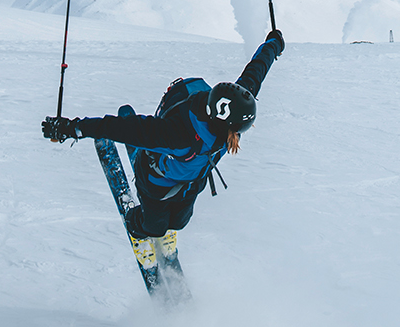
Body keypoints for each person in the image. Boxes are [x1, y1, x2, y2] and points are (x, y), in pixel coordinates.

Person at [42, 29, 284, 237]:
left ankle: (166, 215)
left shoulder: (230, 107)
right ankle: (134, 217)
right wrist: (70, 128)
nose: (245, 130)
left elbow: (256, 71)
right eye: (242, 127)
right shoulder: (176, 135)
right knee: (154, 228)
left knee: (179, 223)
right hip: (157, 180)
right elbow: (119, 128)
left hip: (191, 180)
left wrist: (274, 44)